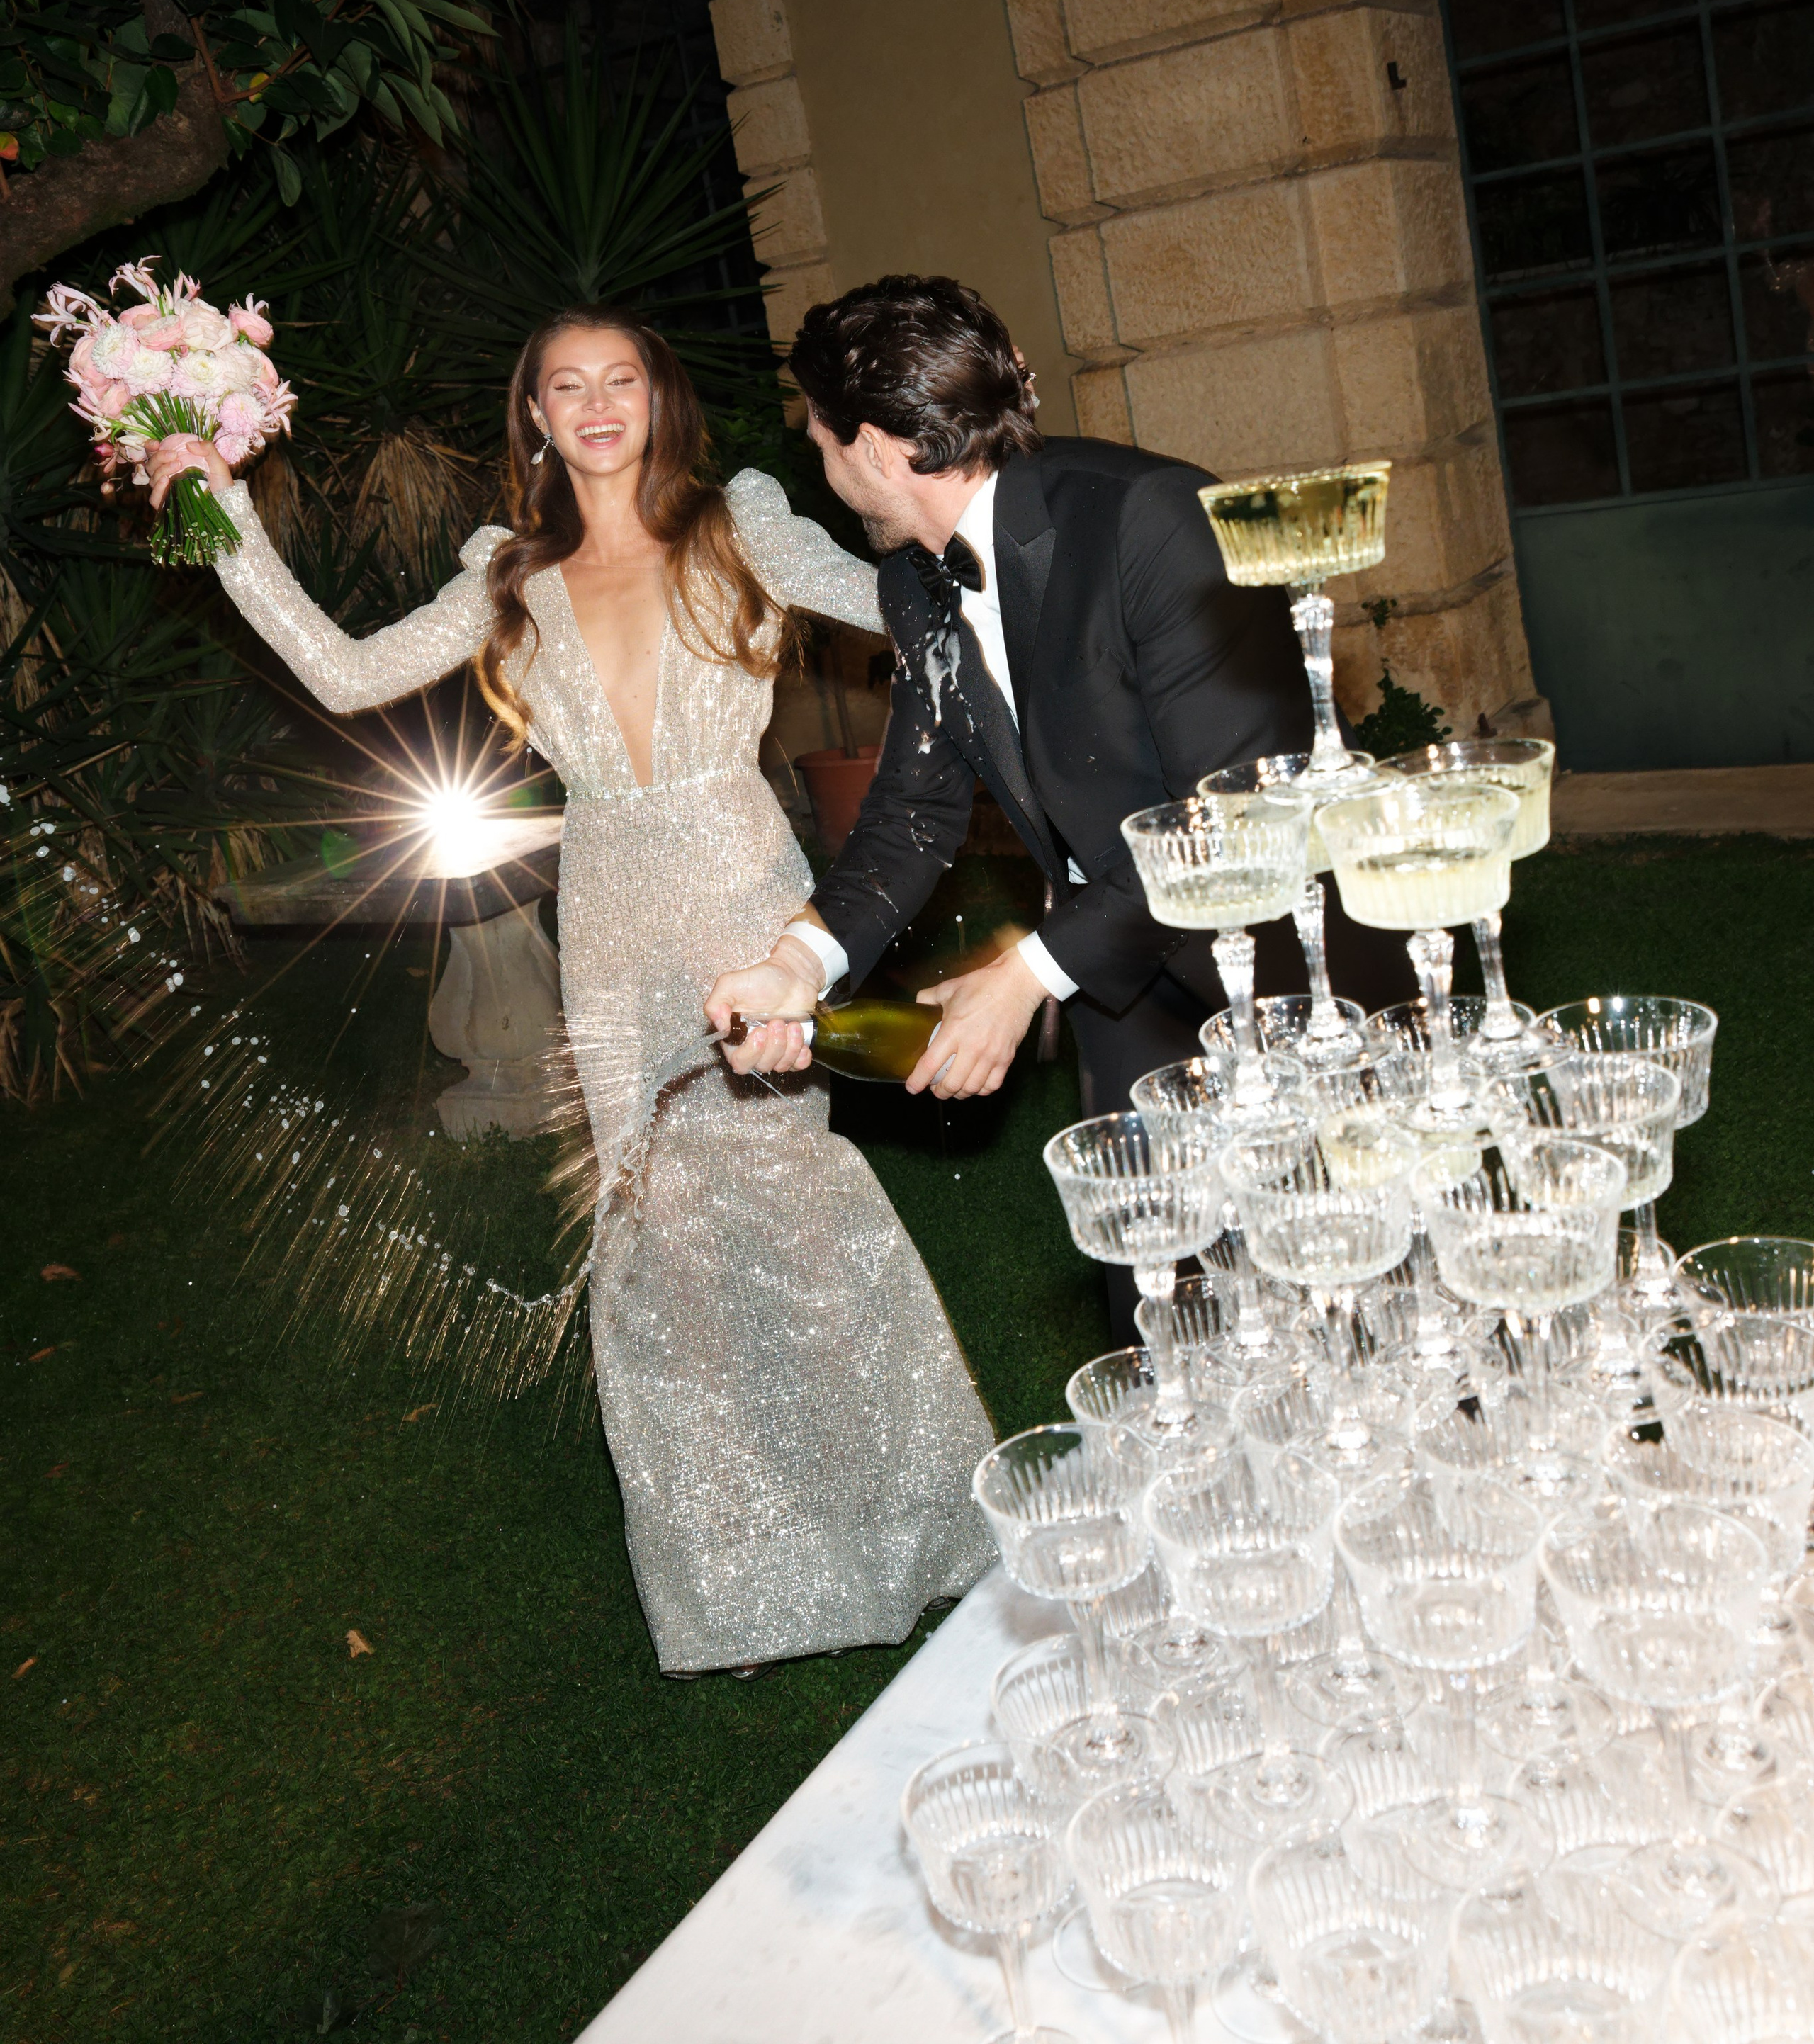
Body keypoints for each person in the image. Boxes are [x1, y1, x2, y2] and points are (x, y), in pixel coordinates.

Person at [146, 307, 993, 1676]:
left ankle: (915, 1527)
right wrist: (220, 510)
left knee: (796, 1204)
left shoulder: (746, 525)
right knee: (658, 1229)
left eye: (622, 382)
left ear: (658, 399)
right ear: (533, 414)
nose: (597, 407)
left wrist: (1013, 585)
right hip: (605, 912)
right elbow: (347, 674)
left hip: (744, 892)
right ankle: (743, 1581)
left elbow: (904, 601)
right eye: (565, 387)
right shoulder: (507, 571)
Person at [706, 278, 1409, 1331]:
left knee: (1353, 1295)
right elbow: (912, 808)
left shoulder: (1156, 521)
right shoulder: (914, 579)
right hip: (1125, 991)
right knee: (1169, 1308)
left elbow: (1234, 815)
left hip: (1292, 969)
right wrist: (798, 963)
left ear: (878, 447)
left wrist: (1024, 973)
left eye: (819, 437)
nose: (820, 462)